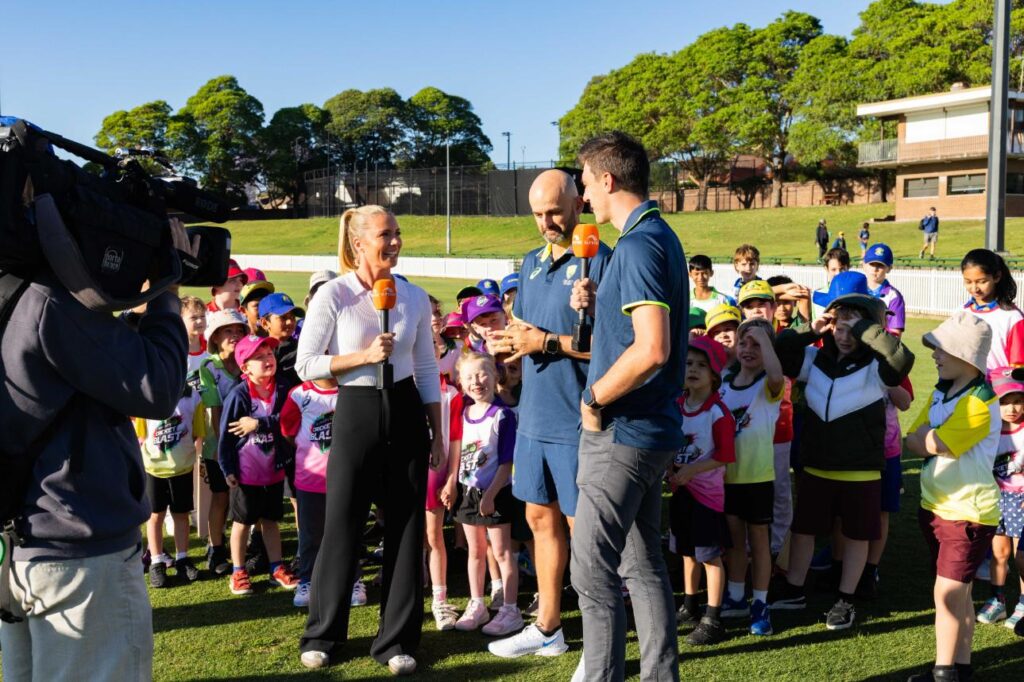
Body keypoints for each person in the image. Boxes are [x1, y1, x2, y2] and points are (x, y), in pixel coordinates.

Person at [0, 219, 197, 681]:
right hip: (77, 553)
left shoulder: (14, 291)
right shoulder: (47, 299)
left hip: (18, 545)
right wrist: (165, 289)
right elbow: (157, 386)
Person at [296, 205, 444, 676]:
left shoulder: (415, 298)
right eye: (385, 235)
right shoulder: (334, 295)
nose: (395, 242)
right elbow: (305, 364)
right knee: (342, 523)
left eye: (398, 233)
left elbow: (424, 369)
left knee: (404, 527)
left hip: (404, 412)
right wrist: (360, 357)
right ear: (358, 243)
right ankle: (324, 633)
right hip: (356, 411)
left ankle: (397, 640)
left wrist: (437, 431)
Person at [567, 131, 686, 681]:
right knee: (642, 566)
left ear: (608, 180)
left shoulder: (638, 244)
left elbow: (652, 349)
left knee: (591, 573)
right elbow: (631, 339)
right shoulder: (653, 236)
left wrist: (593, 398)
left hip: (624, 433)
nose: (583, 195)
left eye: (586, 182)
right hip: (649, 430)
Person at [483, 169, 612, 657]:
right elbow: (530, 330)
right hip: (533, 417)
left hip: (580, 419)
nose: (546, 222)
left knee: (587, 534)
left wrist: (546, 342)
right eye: (537, 214)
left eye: (554, 211)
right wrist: (512, 341)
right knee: (539, 520)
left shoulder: (606, 261)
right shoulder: (532, 260)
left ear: (579, 203)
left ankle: (601, 640)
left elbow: (621, 349)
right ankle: (549, 627)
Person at [772, 273, 914, 631]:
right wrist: (813, 328)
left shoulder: (878, 367)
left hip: (861, 471)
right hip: (817, 467)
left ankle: (845, 598)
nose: (844, 334)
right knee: (804, 531)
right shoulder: (814, 359)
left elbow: (901, 360)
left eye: (853, 328)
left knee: (856, 536)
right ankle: (794, 588)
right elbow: (782, 350)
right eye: (839, 325)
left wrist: (866, 328)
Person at [905, 312, 999, 682]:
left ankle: (943, 674)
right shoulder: (943, 391)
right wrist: (931, 439)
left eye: (942, 350)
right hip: (936, 508)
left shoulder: (979, 402)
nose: (934, 355)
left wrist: (932, 438)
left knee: (947, 595)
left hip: (967, 515)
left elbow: (938, 442)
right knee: (957, 596)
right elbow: (913, 440)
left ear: (966, 356)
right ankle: (961, 667)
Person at [441, 352, 523, 636]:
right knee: (475, 552)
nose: (477, 382)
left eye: (483, 374)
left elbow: (506, 462)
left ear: (495, 375)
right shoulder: (462, 414)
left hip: (496, 493)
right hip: (467, 492)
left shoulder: (502, 415)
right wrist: (451, 483)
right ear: (461, 383)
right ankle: (477, 605)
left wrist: (490, 495)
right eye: (469, 377)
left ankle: (510, 609)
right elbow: (456, 454)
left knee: (501, 553)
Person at [218, 334, 300, 596]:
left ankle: (277, 567)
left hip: (274, 471)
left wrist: (261, 424)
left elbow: (291, 419)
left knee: (271, 520)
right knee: (242, 522)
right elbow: (226, 436)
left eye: (269, 354)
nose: (268, 360)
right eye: (259, 357)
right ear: (245, 367)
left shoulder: (285, 387)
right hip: (246, 472)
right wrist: (228, 468)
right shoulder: (239, 395)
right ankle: (238, 570)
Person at [719, 318, 783, 636]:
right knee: (733, 540)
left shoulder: (768, 387)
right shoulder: (723, 385)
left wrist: (765, 340)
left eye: (756, 345)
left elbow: (775, 374)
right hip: (726, 478)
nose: (748, 349)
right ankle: (734, 595)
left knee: (758, 542)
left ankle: (760, 602)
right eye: (744, 342)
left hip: (757, 477)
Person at [671, 336, 735, 647]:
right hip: (681, 493)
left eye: (701, 365)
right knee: (686, 551)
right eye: (688, 363)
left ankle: (713, 617)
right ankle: (689, 604)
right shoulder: (677, 405)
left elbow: (724, 455)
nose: (693, 370)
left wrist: (691, 471)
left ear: (714, 375)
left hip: (706, 498)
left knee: (709, 556)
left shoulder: (718, 412)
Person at [135, 370, 206, 588]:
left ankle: (183, 558)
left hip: (182, 469)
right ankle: (157, 561)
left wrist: (199, 459)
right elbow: (140, 436)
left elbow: (198, 433)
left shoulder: (193, 396)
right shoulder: (145, 398)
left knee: (181, 515)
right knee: (155, 516)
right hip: (153, 470)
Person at [198, 309, 248, 574]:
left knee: (244, 497)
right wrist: (224, 448)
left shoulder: (249, 361)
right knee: (220, 497)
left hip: (249, 444)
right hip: (218, 446)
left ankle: (246, 546)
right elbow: (215, 411)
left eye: (239, 330)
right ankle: (216, 550)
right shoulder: (209, 368)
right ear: (215, 337)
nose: (235, 335)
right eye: (228, 331)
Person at [976, 368, 1024, 627]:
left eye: (1017, 401)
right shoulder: (991, 431)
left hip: (1021, 500)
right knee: (999, 553)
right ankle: (998, 601)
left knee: (1021, 557)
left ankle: (1023, 604)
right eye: (1004, 402)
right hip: (997, 499)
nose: (1012, 408)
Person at [961, 248, 1024, 373]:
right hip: (966, 390)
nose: (974, 288)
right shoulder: (961, 313)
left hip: (999, 389)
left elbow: (1019, 367)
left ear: (997, 277)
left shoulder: (1012, 318)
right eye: (968, 282)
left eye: (981, 282)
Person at [862, 243, 906, 337]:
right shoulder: (856, 290)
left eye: (880, 265)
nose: (875, 269)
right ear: (864, 265)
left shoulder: (893, 296)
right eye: (872, 264)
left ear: (889, 268)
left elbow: (895, 334)